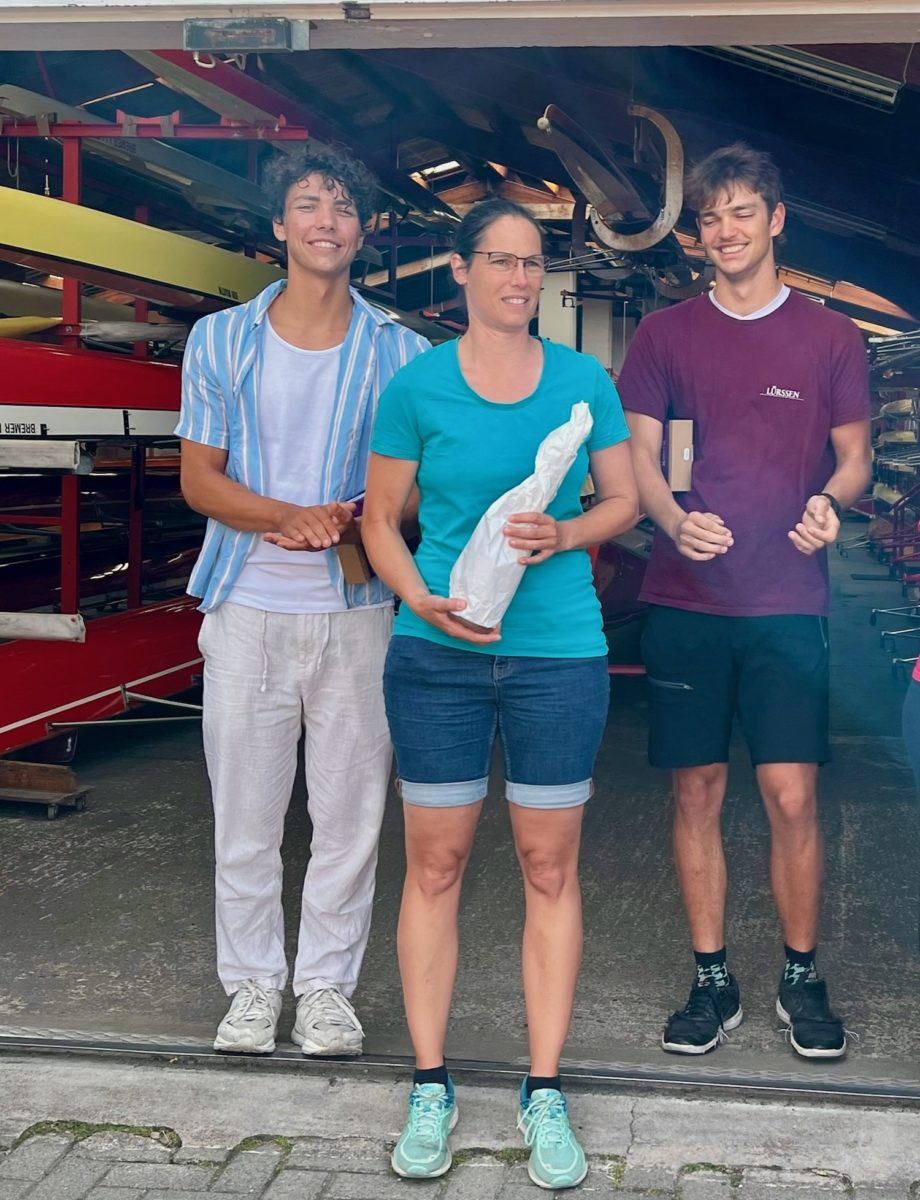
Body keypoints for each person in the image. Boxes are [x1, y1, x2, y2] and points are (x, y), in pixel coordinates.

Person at [362, 197, 639, 1189]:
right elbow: (379, 520)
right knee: (433, 865)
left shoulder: (582, 380)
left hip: (555, 650)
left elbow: (622, 499)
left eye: (531, 264)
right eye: (501, 261)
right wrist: (417, 599)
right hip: (435, 654)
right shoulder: (417, 386)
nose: (519, 279)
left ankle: (544, 1088)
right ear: (462, 269)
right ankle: (430, 1084)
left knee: (547, 866)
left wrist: (565, 533)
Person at [617, 143, 872, 1060]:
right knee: (696, 789)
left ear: (776, 220)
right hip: (688, 599)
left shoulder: (830, 337)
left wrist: (829, 502)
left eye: (740, 212)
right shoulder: (666, 336)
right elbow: (643, 456)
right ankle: (711, 977)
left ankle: (801, 976)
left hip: (787, 603)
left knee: (791, 795)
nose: (724, 231)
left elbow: (855, 457)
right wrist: (670, 519)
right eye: (709, 218)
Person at [175, 147, 429, 1057]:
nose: (327, 220)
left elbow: (415, 489)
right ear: (279, 225)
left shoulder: (401, 353)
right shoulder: (221, 340)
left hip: (356, 613)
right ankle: (252, 988)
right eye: (309, 204)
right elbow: (201, 481)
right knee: (245, 816)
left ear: (364, 231)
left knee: (349, 818)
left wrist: (360, 515)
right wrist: (287, 516)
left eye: (344, 207)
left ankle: (324, 990)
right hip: (246, 609)